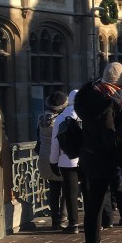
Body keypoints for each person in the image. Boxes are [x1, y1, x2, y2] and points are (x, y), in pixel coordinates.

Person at [74, 62, 122, 243]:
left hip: (89, 157)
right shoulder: (104, 103)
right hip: (100, 160)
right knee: (94, 208)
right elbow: (110, 140)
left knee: (95, 206)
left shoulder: (93, 92)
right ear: (120, 82)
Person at [50, 89, 82, 234]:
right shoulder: (86, 115)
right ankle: (94, 222)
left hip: (67, 160)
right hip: (85, 159)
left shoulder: (61, 118)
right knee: (89, 192)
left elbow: (55, 143)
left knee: (70, 193)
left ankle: (73, 223)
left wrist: (53, 161)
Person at [37, 91, 68, 230]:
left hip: (45, 157)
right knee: (67, 189)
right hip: (60, 157)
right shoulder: (61, 119)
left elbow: (38, 139)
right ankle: (63, 217)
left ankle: (55, 218)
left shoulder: (41, 118)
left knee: (54, 190)